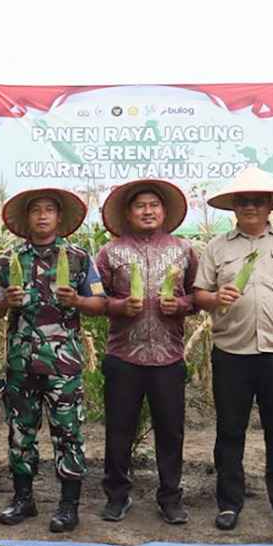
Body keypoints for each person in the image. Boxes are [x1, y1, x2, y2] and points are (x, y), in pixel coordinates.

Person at [194, 166, 273, 532]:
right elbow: (199, 294)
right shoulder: (217, 248)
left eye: (257, 201)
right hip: (232, 352)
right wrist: (215, 297)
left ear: (269, 205)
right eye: (243, 201)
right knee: (230, 431)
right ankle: (229, 503)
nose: (250, 206)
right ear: (234, 207)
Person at [0, 187, 105, 533]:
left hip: (63, 366)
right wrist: (6, 301)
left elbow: (100, 305)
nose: (42, 216)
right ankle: (23, 499)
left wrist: (78, 302)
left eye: (48, 210)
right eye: (35, 210)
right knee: (20, 434)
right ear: (26, 219)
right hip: (22, 364)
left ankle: (69, 505)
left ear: (59, 217)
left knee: (68, 433)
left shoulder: (80, 258)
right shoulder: (9, 260)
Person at [93, 179, 198, 524]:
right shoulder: (110, 253)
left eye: (154, 205)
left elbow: (198, 297)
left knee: (171, 430)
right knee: (119, 429)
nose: (148, 211)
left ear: (164, 211)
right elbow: (95, 298)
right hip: (124, 357)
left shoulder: (184, 251)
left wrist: (181, 303)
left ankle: (170, 497)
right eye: (140, 206)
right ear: (128, 212)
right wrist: (118, 307)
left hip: (168, 357)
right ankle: (117, 495)